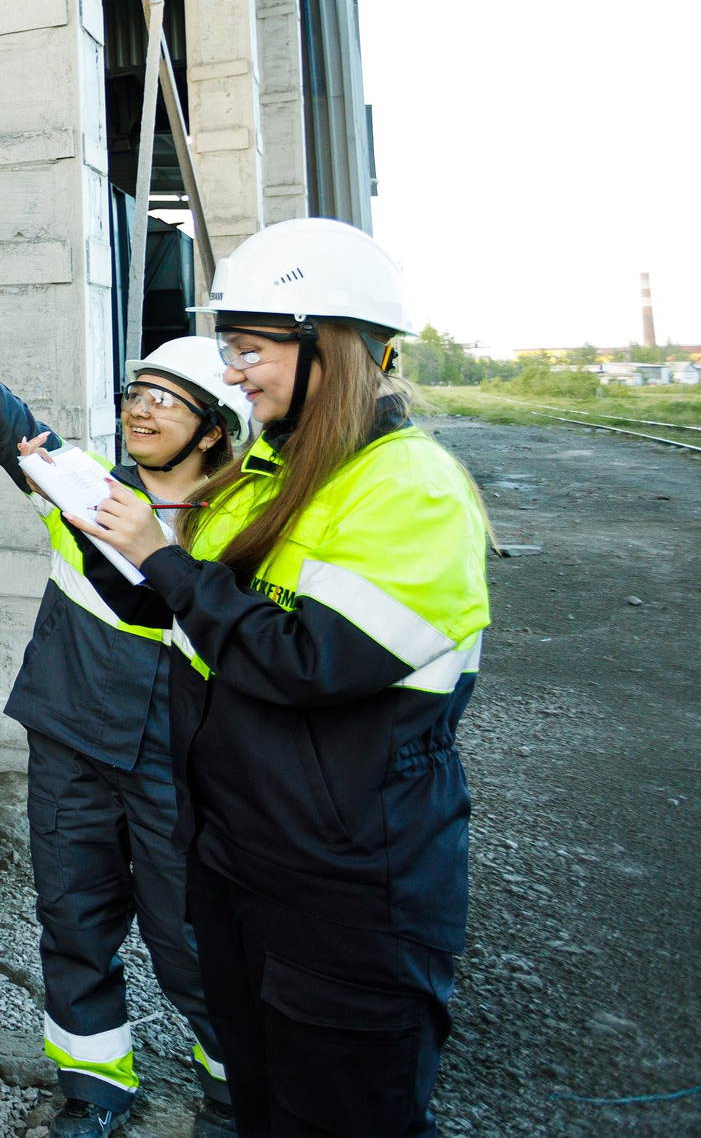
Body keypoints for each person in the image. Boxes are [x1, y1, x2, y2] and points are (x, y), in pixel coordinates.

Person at [64, 219, 489, 1138]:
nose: (236, 371)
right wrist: (93, 529)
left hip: (346, 893)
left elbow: (311, 660)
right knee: (262, 1105)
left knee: (342, 1116)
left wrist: (163, 562)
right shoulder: (267, 476)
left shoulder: (411, 488)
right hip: (240, 863)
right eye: (231, 348)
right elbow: (179, 616)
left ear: (333, 347)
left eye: (251, 348)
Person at [0, 292, 245, 1138]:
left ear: (215, 428)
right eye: (137, 391)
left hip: (178, 761)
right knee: (74, 918)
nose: (142, 406)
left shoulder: (237, 527)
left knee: (192, 933)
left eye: (167, 398)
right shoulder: (82, 487)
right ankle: (94, 1091)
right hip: (74, 742)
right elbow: (2, 421)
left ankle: (232, 1087)